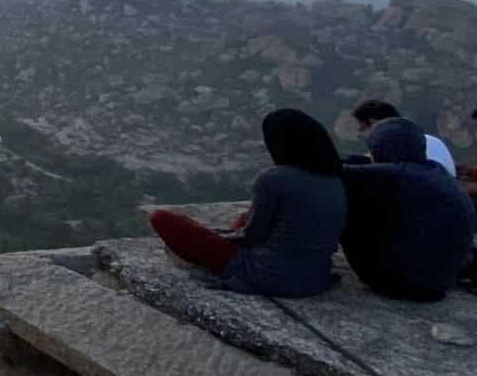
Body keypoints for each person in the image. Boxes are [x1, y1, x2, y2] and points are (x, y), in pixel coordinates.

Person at [148, 109, 346, 297]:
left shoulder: (274, 179)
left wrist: (222, 237)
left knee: (162, 218)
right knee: (243, 218)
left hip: (267, 275)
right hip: (314, 280)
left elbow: (253, 236)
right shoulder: (334, 180)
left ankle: (212, 255)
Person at [340, 117, 476, 302]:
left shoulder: (393, 176)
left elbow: (334, 171)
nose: (370, 156)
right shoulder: (435, 171)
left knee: (344, 193)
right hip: (440, 281)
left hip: (400, 283)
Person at [348, 99, 455, 176]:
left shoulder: (399, 149)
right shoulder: (428, 141)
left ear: (373, 123)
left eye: (362, 129)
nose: (361, 135)